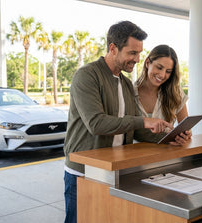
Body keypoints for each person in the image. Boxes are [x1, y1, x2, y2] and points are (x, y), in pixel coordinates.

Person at [63, 21, 172, 223]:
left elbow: (134, 130)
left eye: (139, 53)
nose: (138, 59)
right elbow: (96, 124)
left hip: (114, 171)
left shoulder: (125, 82)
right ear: (113, 48)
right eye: (132, 53)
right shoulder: (86, 76)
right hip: (84, 173)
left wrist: (167, 136)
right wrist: (143, 121)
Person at [134, 44, 191, 145]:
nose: (162, 75)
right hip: (134, 156)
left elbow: (186, 128)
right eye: (159, 68)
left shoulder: (175, 93)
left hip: (167, 155)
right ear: (147, 63)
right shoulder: (129, 92)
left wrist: (185, 135)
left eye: (168, 71)